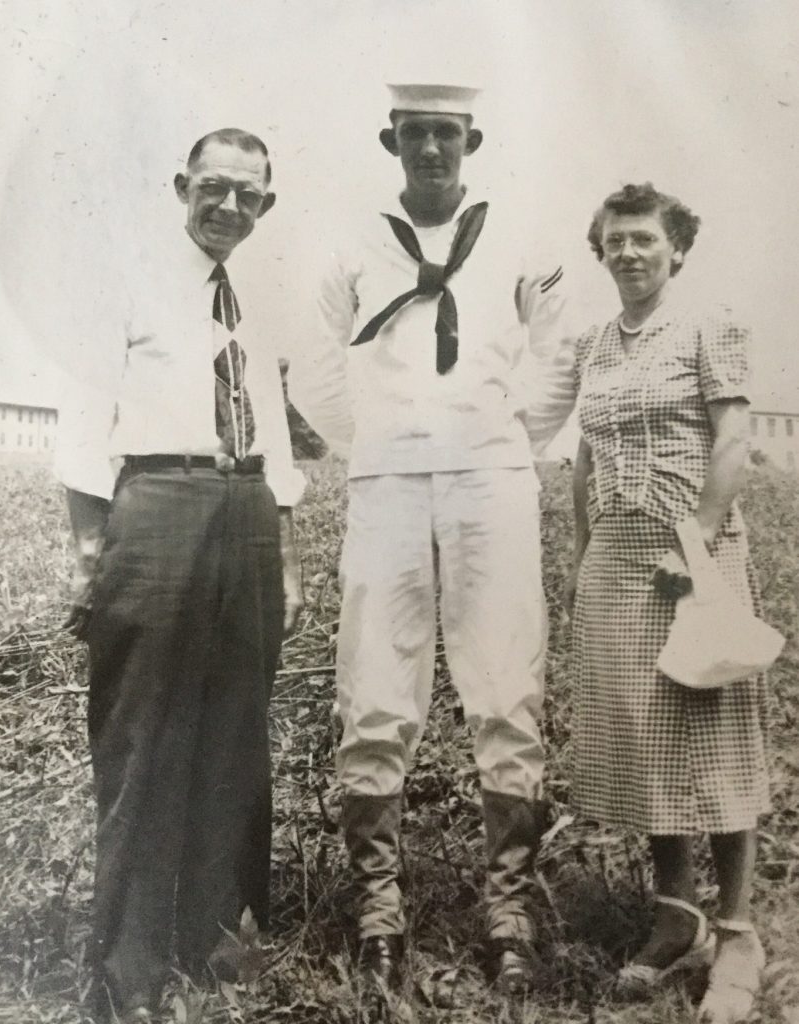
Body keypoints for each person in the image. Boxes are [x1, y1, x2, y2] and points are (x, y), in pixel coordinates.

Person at [290, 83, 576, 994]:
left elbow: (560, 358)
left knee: (504, 682)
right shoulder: (351, 246)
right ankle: (377, 906)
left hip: (491, 483)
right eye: (414, 134)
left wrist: (497, 439)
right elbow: (315, 369)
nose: (430, 150)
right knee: (375, 685)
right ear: (393, 140)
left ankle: (509, 907)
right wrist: (377, 442)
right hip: (386, 486)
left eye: (445, 134)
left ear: (470, 140)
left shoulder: (521, 241)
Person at [55, 128, 305, 1024]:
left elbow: (269, 422)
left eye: (248, 194)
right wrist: (91, 555)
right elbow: (84, 417)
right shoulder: (126, 277)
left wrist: (286, 550)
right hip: (156, 505)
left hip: (248, 515)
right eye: (214, 187)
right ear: (182, 186)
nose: (229, 206)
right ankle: (127, 974)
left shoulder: (257, 296)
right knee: (142, 744)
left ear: (266, 204)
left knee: (237, 739)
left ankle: (221, 956)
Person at [567, 183, 769, 1024]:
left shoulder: (707, 325)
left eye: (645, 239)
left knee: (714, 737)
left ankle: (737, 933)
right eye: (615, 240)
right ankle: (674, 913)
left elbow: (733, 440)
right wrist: (583, 553)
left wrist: (699, 542)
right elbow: (585, 455)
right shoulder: (594, 344)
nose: (629, 253)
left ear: (675, 248)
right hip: (616, 563)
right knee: (649, 739)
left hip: (695, 554)